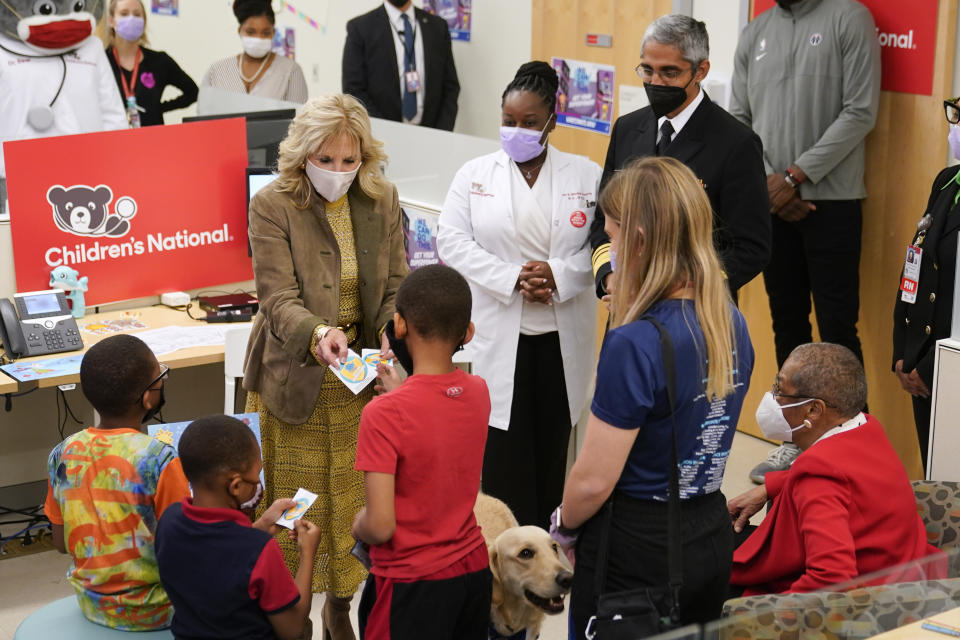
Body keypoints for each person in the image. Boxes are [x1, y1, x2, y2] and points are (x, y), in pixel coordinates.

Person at [560, 157, 755, 637]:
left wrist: (561, 528)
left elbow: (592, 481)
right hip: (708, 530)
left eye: (613, 236)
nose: (610, 249)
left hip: (636, 546)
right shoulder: (730, 321)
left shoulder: (636, 342)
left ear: (641, 241)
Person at [242, 93, 408, 640]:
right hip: (295, 380)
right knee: (297, 510)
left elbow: (395, 286)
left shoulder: (382, 200)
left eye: (349, 160)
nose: (338, 171)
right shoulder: (272, 204)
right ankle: (291, 616)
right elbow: (277, 296)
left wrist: (391, 329)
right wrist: (317, 333)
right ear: (302, 154)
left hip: (357, 385)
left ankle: (341, 607)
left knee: (354, 506)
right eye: (326, 159)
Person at [437, 61, 601, 529]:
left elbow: (601, 245)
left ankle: (549, 544)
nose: (518, 131)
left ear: (553, 120)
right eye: (509, 121)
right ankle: (506, 548)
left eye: (530, 122)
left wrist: (558, 275)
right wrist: (512, 277)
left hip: (559, 334)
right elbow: (451, 239)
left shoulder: (585, 175)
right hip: (497, 330)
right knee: (503, 452)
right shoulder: (475, 173)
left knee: (552, 449)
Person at [730, 0, 881, 483]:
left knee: (838, 328)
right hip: (771, 202)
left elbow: (860, 111)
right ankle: (794, 443)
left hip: (832, 202)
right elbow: (738, 120)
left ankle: (853, 447)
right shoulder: (756, 32)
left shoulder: (848, 18)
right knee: (787, 324)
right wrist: (771, 185)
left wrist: (796, 176)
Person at [729, 343, 940, 596]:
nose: (772, 398)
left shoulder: (818, 475)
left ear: (813, 409)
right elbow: (847, 475)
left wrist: (760, 614)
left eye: (779, 389)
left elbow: (831, 579)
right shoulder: (866, 427)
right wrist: (770, 487)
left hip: (866, 606)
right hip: (905, 578)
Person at [353, 265, 492, 640]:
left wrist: (357, 522)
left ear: (399, 326)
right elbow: (438, 413)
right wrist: (403, 392)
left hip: (412, 584)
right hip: (473, 573)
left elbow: (381, 526)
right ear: (467, 333)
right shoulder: (478, 390)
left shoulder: (382, 414)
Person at [588, 14, 769, 301]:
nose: (655, 82)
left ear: (701, 70)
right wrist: (611, 278)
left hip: (694, 313)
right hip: (627, 306)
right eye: (647, 70)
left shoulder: (737, 143)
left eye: (669, 73)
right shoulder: (626, 128)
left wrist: (682, 289)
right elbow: (603, 221)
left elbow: (749, 247)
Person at [43, 334, 190, 630]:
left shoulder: (63, 453)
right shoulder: (160, 459)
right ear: (149, 397)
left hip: (92, 605)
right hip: (160, 611)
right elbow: (185, 550)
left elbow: (61, 543)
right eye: (159, 376)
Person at [156, 415, 322, 640]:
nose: (258, 482)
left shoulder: (169, 521)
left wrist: (261, 526)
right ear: (235, 485)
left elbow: (215, 553)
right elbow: (292, 629)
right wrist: (308, 554)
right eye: (256, 474)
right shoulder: (259, 551)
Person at [0, 1, 126, 214]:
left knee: (82, 242)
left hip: (87, 172)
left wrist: (120, 167)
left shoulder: (92, 47)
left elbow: (112, 113)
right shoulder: (3, 47)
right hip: (18, 177)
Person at [891, 98, 960, 472]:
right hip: (921, 359)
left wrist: (932, 366)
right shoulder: (946, 181)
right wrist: (903, 351)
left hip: (951, 362)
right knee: (935, 475)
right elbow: (916, 266)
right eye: (957, 113)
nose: (957, 126)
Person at [342, 0, 460, 131]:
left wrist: (442, 132)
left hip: (432, 135)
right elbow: (353, 90)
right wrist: (384, 131)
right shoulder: (360, 28)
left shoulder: (438, 27)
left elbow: (450, 87)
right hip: (381, 137)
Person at [103, 0, 198, 127]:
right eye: (124, 14)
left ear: (144, 21)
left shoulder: (160, 61)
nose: (131, 18)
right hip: (112, 139)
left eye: (137, 14)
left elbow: (193, 92)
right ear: (111, 21)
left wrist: (159, 109)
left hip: (154, 140)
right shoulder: (101, 61)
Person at [202, 0, 308, 103]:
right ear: (240, 31)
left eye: (265, 33)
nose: (258, 38)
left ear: (273, 33)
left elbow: (301, 118)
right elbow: (204, 115)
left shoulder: (291, 71)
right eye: (250, 32)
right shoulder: (216, 72)